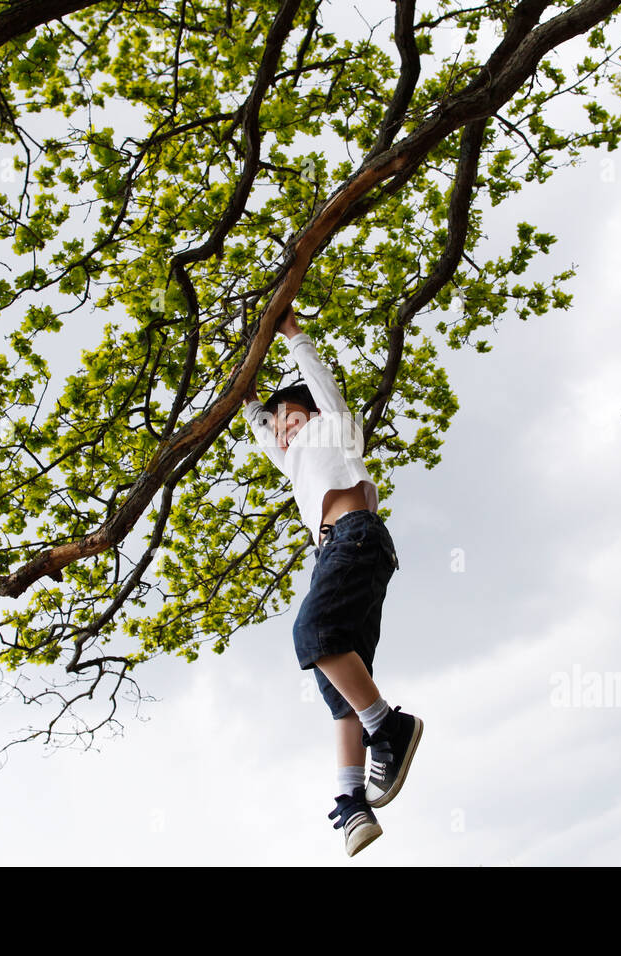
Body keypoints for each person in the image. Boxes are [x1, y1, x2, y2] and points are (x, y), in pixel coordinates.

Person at [240, 306, 423, 856]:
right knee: (338, 683)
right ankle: (351, 802)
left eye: (293, 418)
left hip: (358, 537)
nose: (285, 428)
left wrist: (290, 331)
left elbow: (319, 383)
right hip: (334, 554)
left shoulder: (334, 427)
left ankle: (388, 727)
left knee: (312, 634)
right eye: (279, 427)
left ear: (314, 414)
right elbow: (253, 418)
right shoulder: (291, 456)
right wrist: (246, 393)